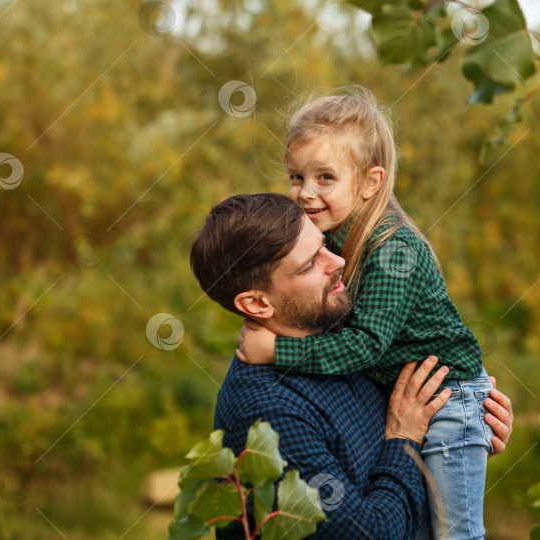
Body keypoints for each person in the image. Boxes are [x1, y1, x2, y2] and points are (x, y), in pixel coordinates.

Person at [237, 88, 495, 539]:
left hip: (450, 399)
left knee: (457, 534)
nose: (304, 193)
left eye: (325, 178)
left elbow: (366, 345)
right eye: (297, 177)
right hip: (426, 397)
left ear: (371, 182)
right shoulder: (335, 238)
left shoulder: (392, 250)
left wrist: (276, 349)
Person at [190, 193, 513, 538]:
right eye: (310, 264)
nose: (338, 261)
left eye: (324, 244)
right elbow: (369, 533)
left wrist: (459, 434)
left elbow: (390, 459)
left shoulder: (347, 340)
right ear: (256, 303)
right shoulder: (268, 413)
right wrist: (406, 440)